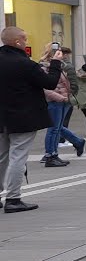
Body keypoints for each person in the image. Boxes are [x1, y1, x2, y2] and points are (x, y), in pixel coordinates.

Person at [1, 30, 65, 212]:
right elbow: (50, 82)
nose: (26, 40)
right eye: (24, 38)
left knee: (1, 157)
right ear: (16, 42)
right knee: (17, 157)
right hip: (24, 117)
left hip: (2, 118)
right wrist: (56, 62)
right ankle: (13, 198)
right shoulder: (24, 63)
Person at [38, 48, 85, 167]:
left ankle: (53, 153)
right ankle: (51, 154)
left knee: (57, 127)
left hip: (63, 100)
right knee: (54, 128)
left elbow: (72, 84)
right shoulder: (44, 67)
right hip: (55, 100)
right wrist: (60, 97)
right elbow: (45, 88)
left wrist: (68, 98)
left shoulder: (64, 66)